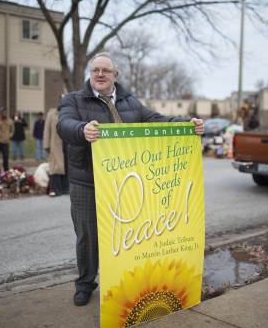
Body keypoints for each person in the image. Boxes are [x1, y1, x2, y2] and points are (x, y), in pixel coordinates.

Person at [57, 52, 204, 306]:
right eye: (95, 70)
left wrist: (187, 124)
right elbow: (64, 124)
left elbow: (157, 120)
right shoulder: (74, 99)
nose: (100, 74)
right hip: (86, 182)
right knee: (87, 237)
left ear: (116, 75)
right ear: (90, 75)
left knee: (128, 236)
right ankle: (85, 284)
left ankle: (124, 281)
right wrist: (83, 129)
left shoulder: (131, 102)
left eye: (105, 70)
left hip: (123, 183)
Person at [44, 107, 68, 196]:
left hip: (68, 143)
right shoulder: (51, 113)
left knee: (67, 166)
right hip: (55, 144)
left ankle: (66, 189)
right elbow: (47, 129)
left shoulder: (70, 111)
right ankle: (55, 189)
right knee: (55, 167)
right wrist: (46, 144)